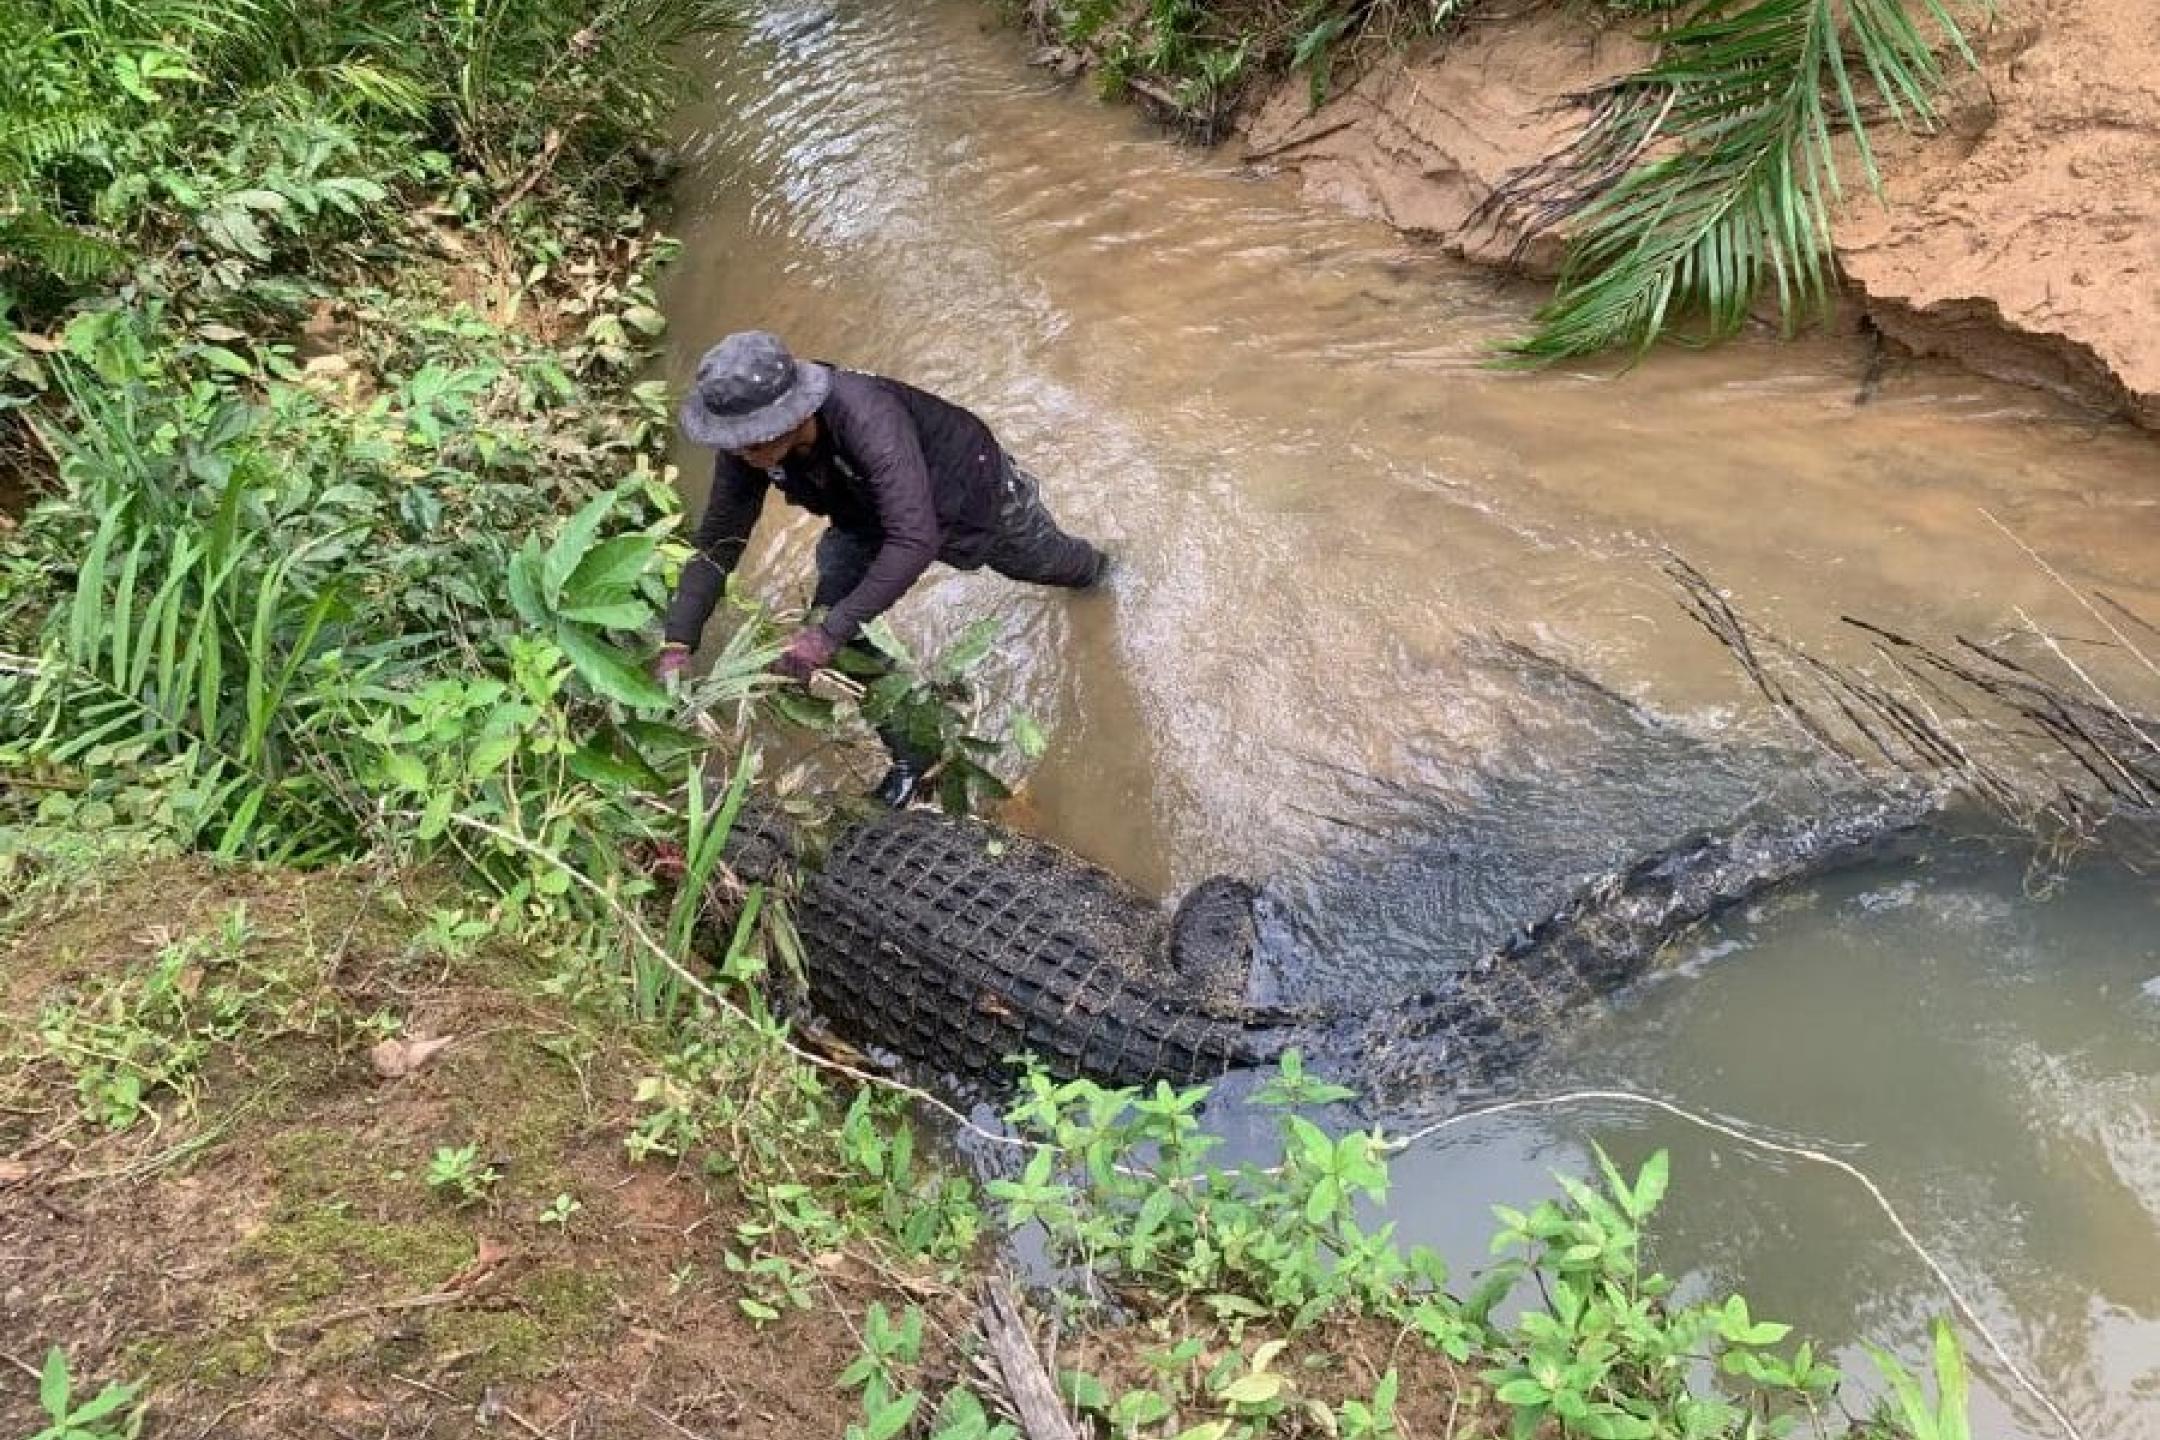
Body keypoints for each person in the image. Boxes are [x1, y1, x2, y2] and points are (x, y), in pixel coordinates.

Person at [658, 330, 1110, 808]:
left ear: (794, 415)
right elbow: (716, 546)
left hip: (971, 496)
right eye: (731, 441)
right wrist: (678, 640)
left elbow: (914, 539)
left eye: (748, 441)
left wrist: (826, 635)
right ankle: (916, 757)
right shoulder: (747, 450)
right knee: (836, 625)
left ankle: (1108, 575)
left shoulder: (869, 418)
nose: (738, 454)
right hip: (864, 515)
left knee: (1056, 565)